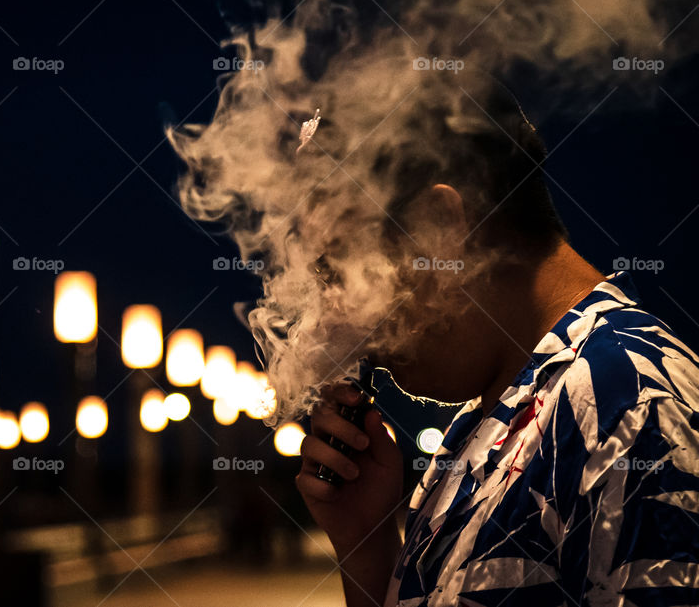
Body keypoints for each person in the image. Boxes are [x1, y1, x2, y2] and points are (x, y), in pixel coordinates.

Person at [295, 95, 699, 606]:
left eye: (342, 271)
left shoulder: (625, 410)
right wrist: (367, 549)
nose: (345, 320)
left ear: (438, 230)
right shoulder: (486, 425)